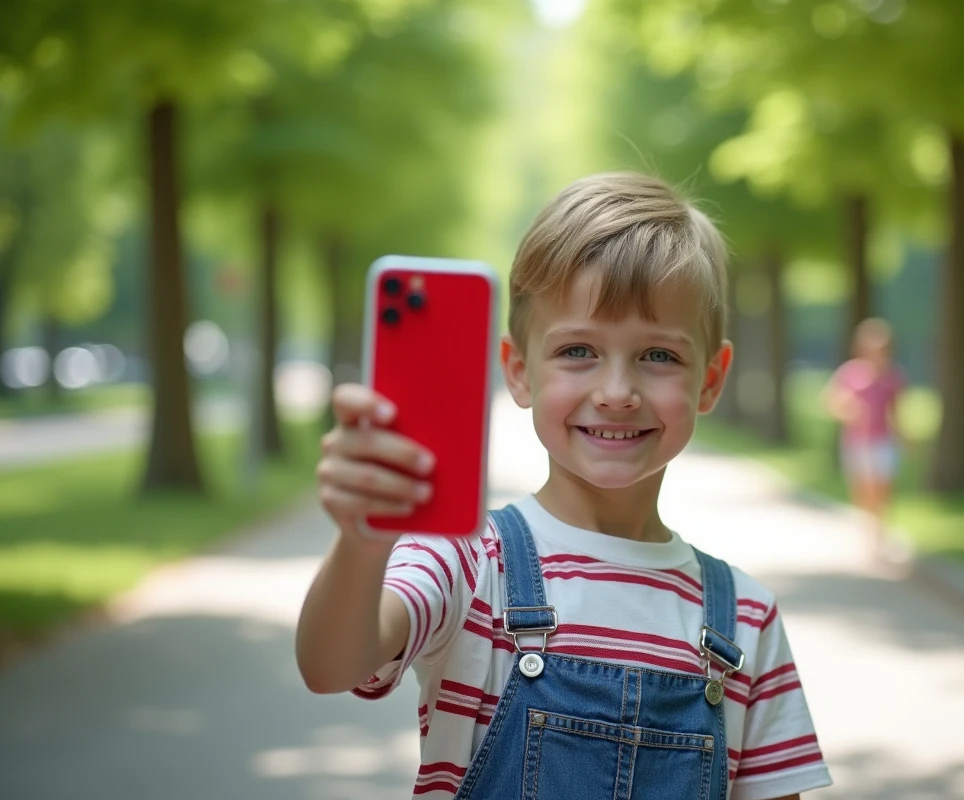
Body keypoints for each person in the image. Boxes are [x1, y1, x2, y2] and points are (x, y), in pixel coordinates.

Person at [295, 172, 833, 799]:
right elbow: (331, 666)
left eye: (659, 355)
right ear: (519, 371)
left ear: (710, 381)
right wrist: (363, 544)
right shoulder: (466, 561)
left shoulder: (746, 619)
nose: (616, 392)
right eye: (578, 351)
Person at [822, 318, 906, 555]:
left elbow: (896, 413)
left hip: (883, 441)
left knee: (882, 488)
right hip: (857, 442)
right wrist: (849, 410)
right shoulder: (851, 373)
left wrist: (904, 438)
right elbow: (830, 401)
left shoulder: (893, 377)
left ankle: (879, 533)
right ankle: (868, 531)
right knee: (864, 489)